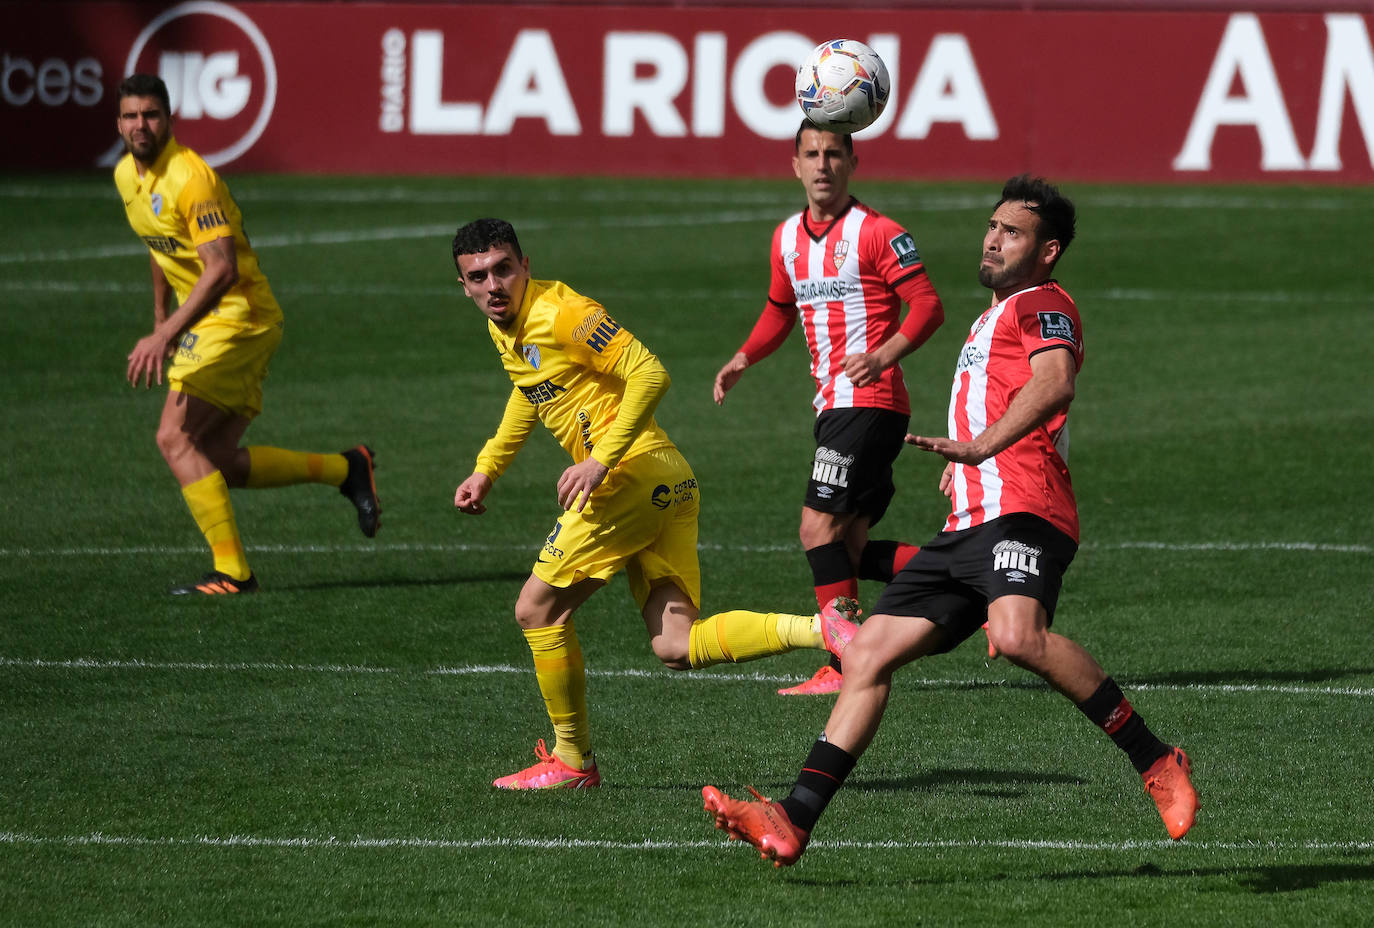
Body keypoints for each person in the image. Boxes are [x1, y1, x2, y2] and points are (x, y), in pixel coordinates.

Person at [702, 175, 1200, 865]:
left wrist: (980, 447)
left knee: (1018, 635)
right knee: (866, 654)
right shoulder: (992, 316)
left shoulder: (1043, 304)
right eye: (993, 226)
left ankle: (1156, 759)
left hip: (1025, 508)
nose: (993, 238)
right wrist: (967, 462)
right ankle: (794, 817)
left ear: (1048, 251)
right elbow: (1006, 396)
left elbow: (1054, 383)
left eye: (1014, 232)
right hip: (973, 519)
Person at [450, 218, 860, 790]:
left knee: (536, 611)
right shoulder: (508, 328)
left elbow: (650, 371)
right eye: (479, 277)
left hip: (629, 480)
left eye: (504, 269)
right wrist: (487, 468)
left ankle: (572, 762)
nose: (494, 285)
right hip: (669, 481)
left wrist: (600, 459)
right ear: (464, 286)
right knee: (676, 644)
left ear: (525, 265)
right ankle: (828, 630)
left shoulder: (563, 312)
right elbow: (530, 392)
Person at [114, 73, 380, 594]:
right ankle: (346, 469)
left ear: (169, 119)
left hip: (239, 316)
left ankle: (234, 573)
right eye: (129, 116)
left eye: (149, 114)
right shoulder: (128, 176)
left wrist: (167, 332)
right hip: (215, 321)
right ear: (118, 123)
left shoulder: (192, 178)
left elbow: (221, 268)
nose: (139, 125)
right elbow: (162, 247)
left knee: (173, 437)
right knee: (213, 460)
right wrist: (157, 318)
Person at [713, 120, 944, 696]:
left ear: (852, 163)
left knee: (816, 527)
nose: (822, 165)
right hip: (836, 405)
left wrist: (883, 355)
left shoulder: (878, 231)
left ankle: (842, 666)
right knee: (852, 548)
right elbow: (778, 311)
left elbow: (927, 305)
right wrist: (744, 357)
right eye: (812, 154)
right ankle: (981, 586)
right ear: (795, 165)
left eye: (834, 154)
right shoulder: (786, 237)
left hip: (867, 401)